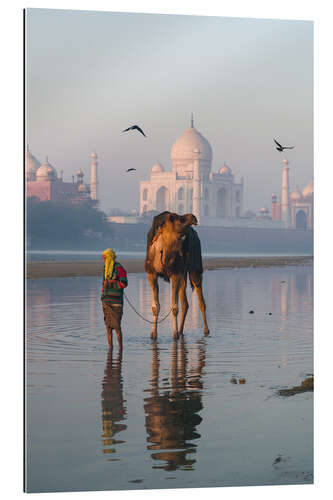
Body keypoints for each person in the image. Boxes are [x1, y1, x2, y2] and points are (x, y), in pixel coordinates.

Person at [101, 248, 128, 350]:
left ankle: (121, 349)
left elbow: (124, 284)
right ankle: (110, 349)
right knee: (108, 328)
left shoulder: (119, 268)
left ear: (109, 258)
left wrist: (112, 283)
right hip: (106, 301)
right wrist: (102, 296)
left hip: (117, 302)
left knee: (117, 327)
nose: (104, 260)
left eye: (105, 258)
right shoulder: (105, 269)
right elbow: (103, 284)